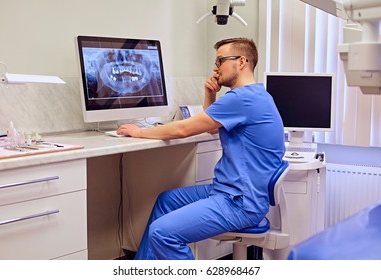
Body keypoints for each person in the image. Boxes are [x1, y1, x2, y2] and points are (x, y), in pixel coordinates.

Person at [117, 37, 285, 260]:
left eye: (220, 61)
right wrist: (210, 94)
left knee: (163, 233)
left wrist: (139, 131)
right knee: (166, 201)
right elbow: (213, 129)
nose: (216, 68)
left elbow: (183, 130)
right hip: (231, 192)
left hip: (240, 203)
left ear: (242, 61)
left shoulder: (242, 99)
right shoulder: (257, 95)